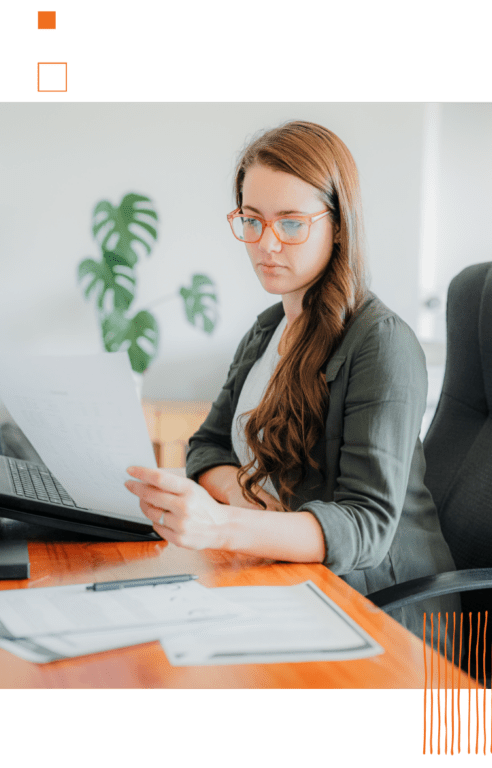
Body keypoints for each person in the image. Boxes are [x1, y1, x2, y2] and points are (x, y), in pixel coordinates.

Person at [125, 119, 461, 650]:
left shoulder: (381, 343)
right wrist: (249, 503)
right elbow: (207, 446)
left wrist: (222, 525)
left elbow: (366, 528)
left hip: (384, 612)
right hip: (288, 581)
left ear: (338, 225)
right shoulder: (267, 328)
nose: (266, 244)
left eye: (291, 223)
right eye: (252, 220)